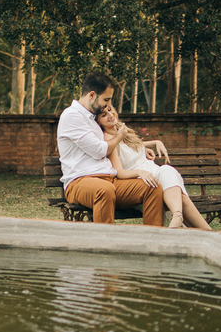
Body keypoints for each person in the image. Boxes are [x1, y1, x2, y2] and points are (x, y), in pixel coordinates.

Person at [56, 72, 165, 226]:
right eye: (105, 100)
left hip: (111, 180)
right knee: (104, 189)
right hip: (79, 182)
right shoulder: (72, 116)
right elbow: (100, 149)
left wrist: (141, 147)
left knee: (151, 187)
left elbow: (110, 143)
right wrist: (119, 136)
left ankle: (152, 242)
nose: (107, 105)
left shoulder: (92, 118)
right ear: (92, 95)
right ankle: (105, 244)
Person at [98, 106, 213, 230]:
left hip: (155, 173)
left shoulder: (123, 131)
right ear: (98, 122)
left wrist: (155, 142)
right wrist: (140, 172)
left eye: (110, 110)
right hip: (143, 182)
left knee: (167, 171)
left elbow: (133, 145)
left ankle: (178, 216)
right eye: (104, 115)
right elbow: (119, 172)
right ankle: (208, 232)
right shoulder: (108, 139)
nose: (110, 115)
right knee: (179, 195)